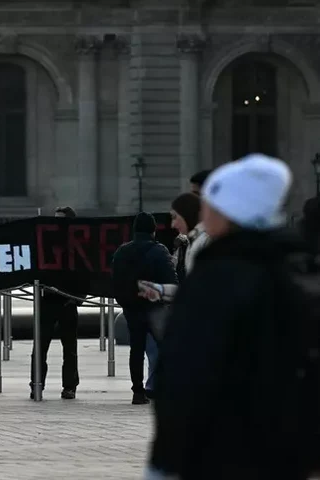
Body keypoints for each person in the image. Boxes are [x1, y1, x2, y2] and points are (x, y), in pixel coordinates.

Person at [146, 154, 317, 479]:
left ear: (228, 211)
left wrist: (166, 456)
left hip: (218, 448)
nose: (203, 211)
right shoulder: (297, 266)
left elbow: (189, 372)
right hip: (285, 452)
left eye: (209, 203)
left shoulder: (221, 275)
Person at [112, 212, 177, 405]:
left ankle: (137, 391)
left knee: (136, 349)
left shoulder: (122, 251)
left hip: (132, 307)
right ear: (153, 230)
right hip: (155, 306)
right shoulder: (159, 251)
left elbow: (115, 280)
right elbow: (171, 280)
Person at [30, 206, 81, 400]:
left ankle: (70, 386)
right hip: (48, 301)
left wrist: (76, 297)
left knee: (70, 349)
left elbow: (85, 273)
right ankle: (36, 384)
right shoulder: (45, 244)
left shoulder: (76, 247)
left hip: (68, 302)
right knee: (40, 347)